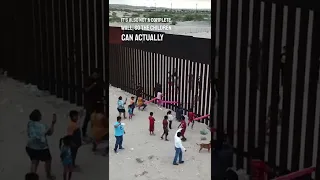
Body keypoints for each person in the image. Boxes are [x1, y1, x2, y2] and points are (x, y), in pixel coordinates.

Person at [26, 110, 56, 180]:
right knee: (48, 160)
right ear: (39, 117)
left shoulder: (29, 123)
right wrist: (53, 123)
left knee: (34, 160)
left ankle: (32, 176)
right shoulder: (43, 126)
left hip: (30, 147)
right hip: (42, 148)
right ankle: (48, 175)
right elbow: (50, 133)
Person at [82, 69, 103, 138]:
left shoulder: (99, 80)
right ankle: (84, 132)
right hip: (89, 102)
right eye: (95, 74)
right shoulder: (88, 80)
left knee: (97, 118)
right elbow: (86, 89)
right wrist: (93, 84)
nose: (96, 76)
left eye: (97, 75)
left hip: (97, 101)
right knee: (88, 117)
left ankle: (96, 133)